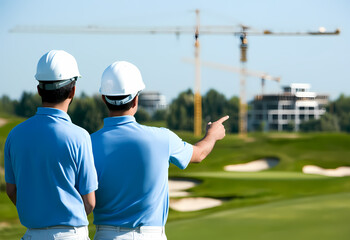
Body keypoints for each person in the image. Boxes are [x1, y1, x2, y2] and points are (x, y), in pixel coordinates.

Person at [91, 61, 228, 240]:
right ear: (135, 99)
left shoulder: (87, 143)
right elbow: (199, 154)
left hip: (105, 235)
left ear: (104, 98)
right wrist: (212, 135)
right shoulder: (162, 137)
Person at [4, 50, 98, 240]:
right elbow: (89, 202)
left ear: (39, 90)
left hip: (31, 234)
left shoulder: (14, 135)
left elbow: (11, 190)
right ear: (73, 90)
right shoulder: (80, 137)